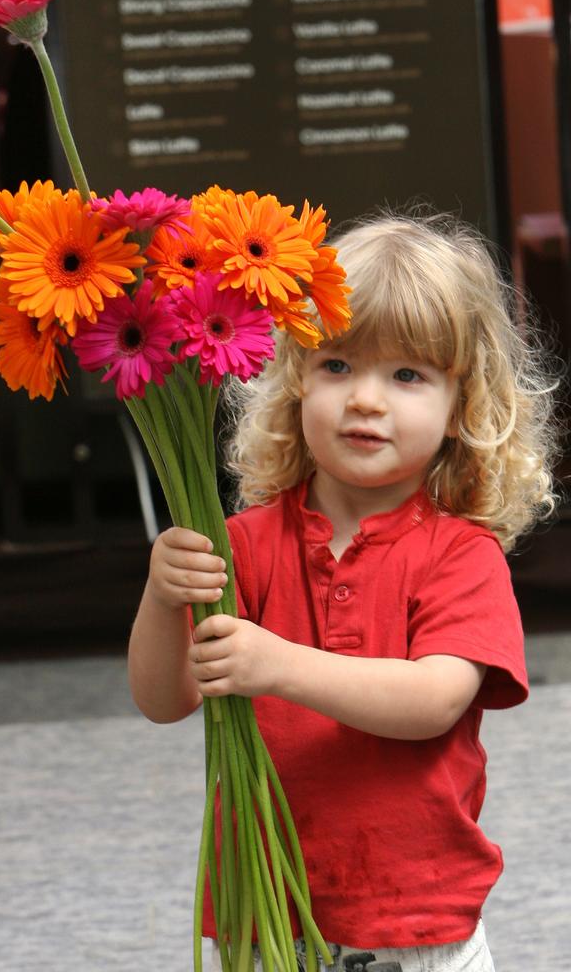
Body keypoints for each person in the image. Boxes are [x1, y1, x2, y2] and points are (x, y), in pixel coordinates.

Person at [127, 211, 563, 971]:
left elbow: (433, 701)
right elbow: (165, 700)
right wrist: (163, 598)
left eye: (406, 375)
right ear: (295, 377)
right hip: (270, 908)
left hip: (421, 922)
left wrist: (279, 667)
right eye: (337, 365)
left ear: (461, 407)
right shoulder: (248, 545)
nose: (366, 399)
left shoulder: (462, 557)